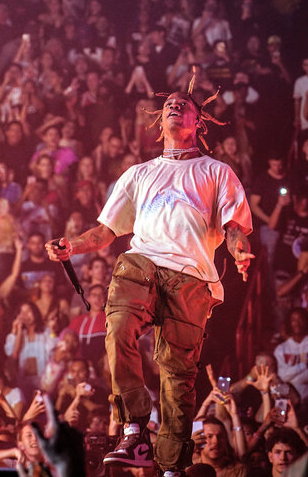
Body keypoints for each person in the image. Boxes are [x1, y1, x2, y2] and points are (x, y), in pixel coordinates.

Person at [46, 86, 254, 475]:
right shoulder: (139, 174)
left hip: (192, 277)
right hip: (141, 262)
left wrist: (240, 249)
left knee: (178, 377)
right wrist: (71, 245)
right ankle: (134, 428)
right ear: (160, 121)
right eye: (168, 105)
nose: (174, 106)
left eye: (184, 105)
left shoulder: (215, 171)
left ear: (198, 120)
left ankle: (172, 467)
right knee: (119, 327)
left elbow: (235, 226)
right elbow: (105, 232)